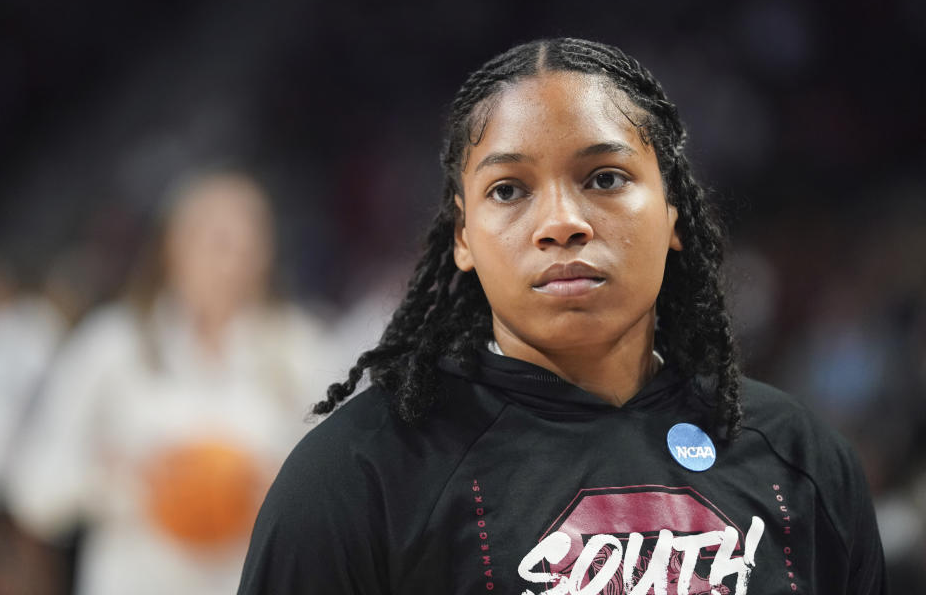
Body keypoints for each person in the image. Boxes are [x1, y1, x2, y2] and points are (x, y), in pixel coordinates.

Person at [238, 38, 887, 594]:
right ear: (462, 237)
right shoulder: (357, 476)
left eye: (604, 178)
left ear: (672, 216)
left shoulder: (798, 459)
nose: (561, 224)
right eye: (509, 190)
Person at [8, 171, 332, 595]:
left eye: (250, 245)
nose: (234, 262)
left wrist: (281, 489)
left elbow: (342, 494)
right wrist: (117, 478)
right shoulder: (112, 346)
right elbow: (33, 491)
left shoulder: (300, 351)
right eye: (218, 242)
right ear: (172, 246)